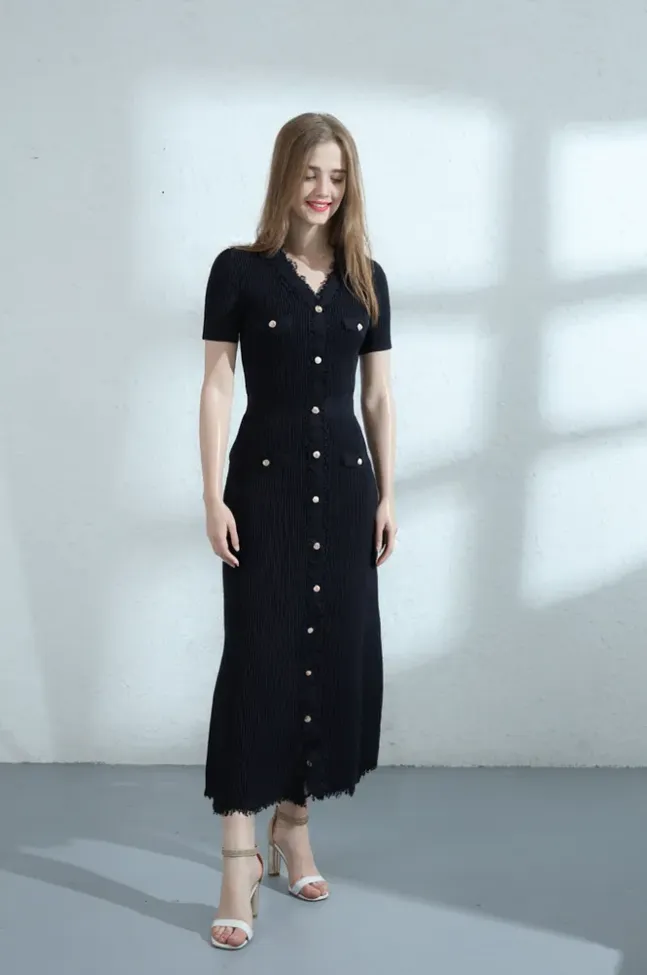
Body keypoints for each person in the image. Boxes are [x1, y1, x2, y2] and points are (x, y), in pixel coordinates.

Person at [198, 111, 397, 950]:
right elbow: (216, 384)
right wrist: (212, 494)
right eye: (311, 173)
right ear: (285, 175)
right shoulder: (238, 271)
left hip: (346, 493)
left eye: (337, 176)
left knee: (326, 651)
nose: (323, 190)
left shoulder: (365, 278)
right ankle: (236, 857)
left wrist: (387, 494)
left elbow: (377, 396)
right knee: (258, 660)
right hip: (264, 489)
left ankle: (293, 826)